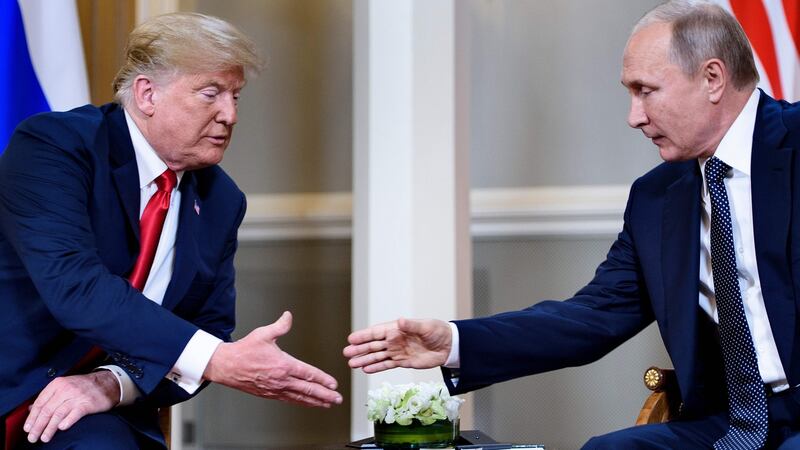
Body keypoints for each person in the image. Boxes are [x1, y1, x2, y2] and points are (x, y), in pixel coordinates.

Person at [344, 1, 800, 448]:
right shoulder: (656, 198)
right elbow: (592, 317)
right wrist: (456, 341)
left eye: (646, 90)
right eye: (630, 93)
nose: (633, 117)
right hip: (731, 423)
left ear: (713, 79)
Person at [0, 12, 342, 450]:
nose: (230, 115)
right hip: (12, 383)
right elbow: (77, 287)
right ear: (147, 94)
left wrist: (111, 385)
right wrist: (218, 359)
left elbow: (209, 329)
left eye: (236, 96)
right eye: (210, 93)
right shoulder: (57, 147)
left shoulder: (221, 201)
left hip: (93, 414)